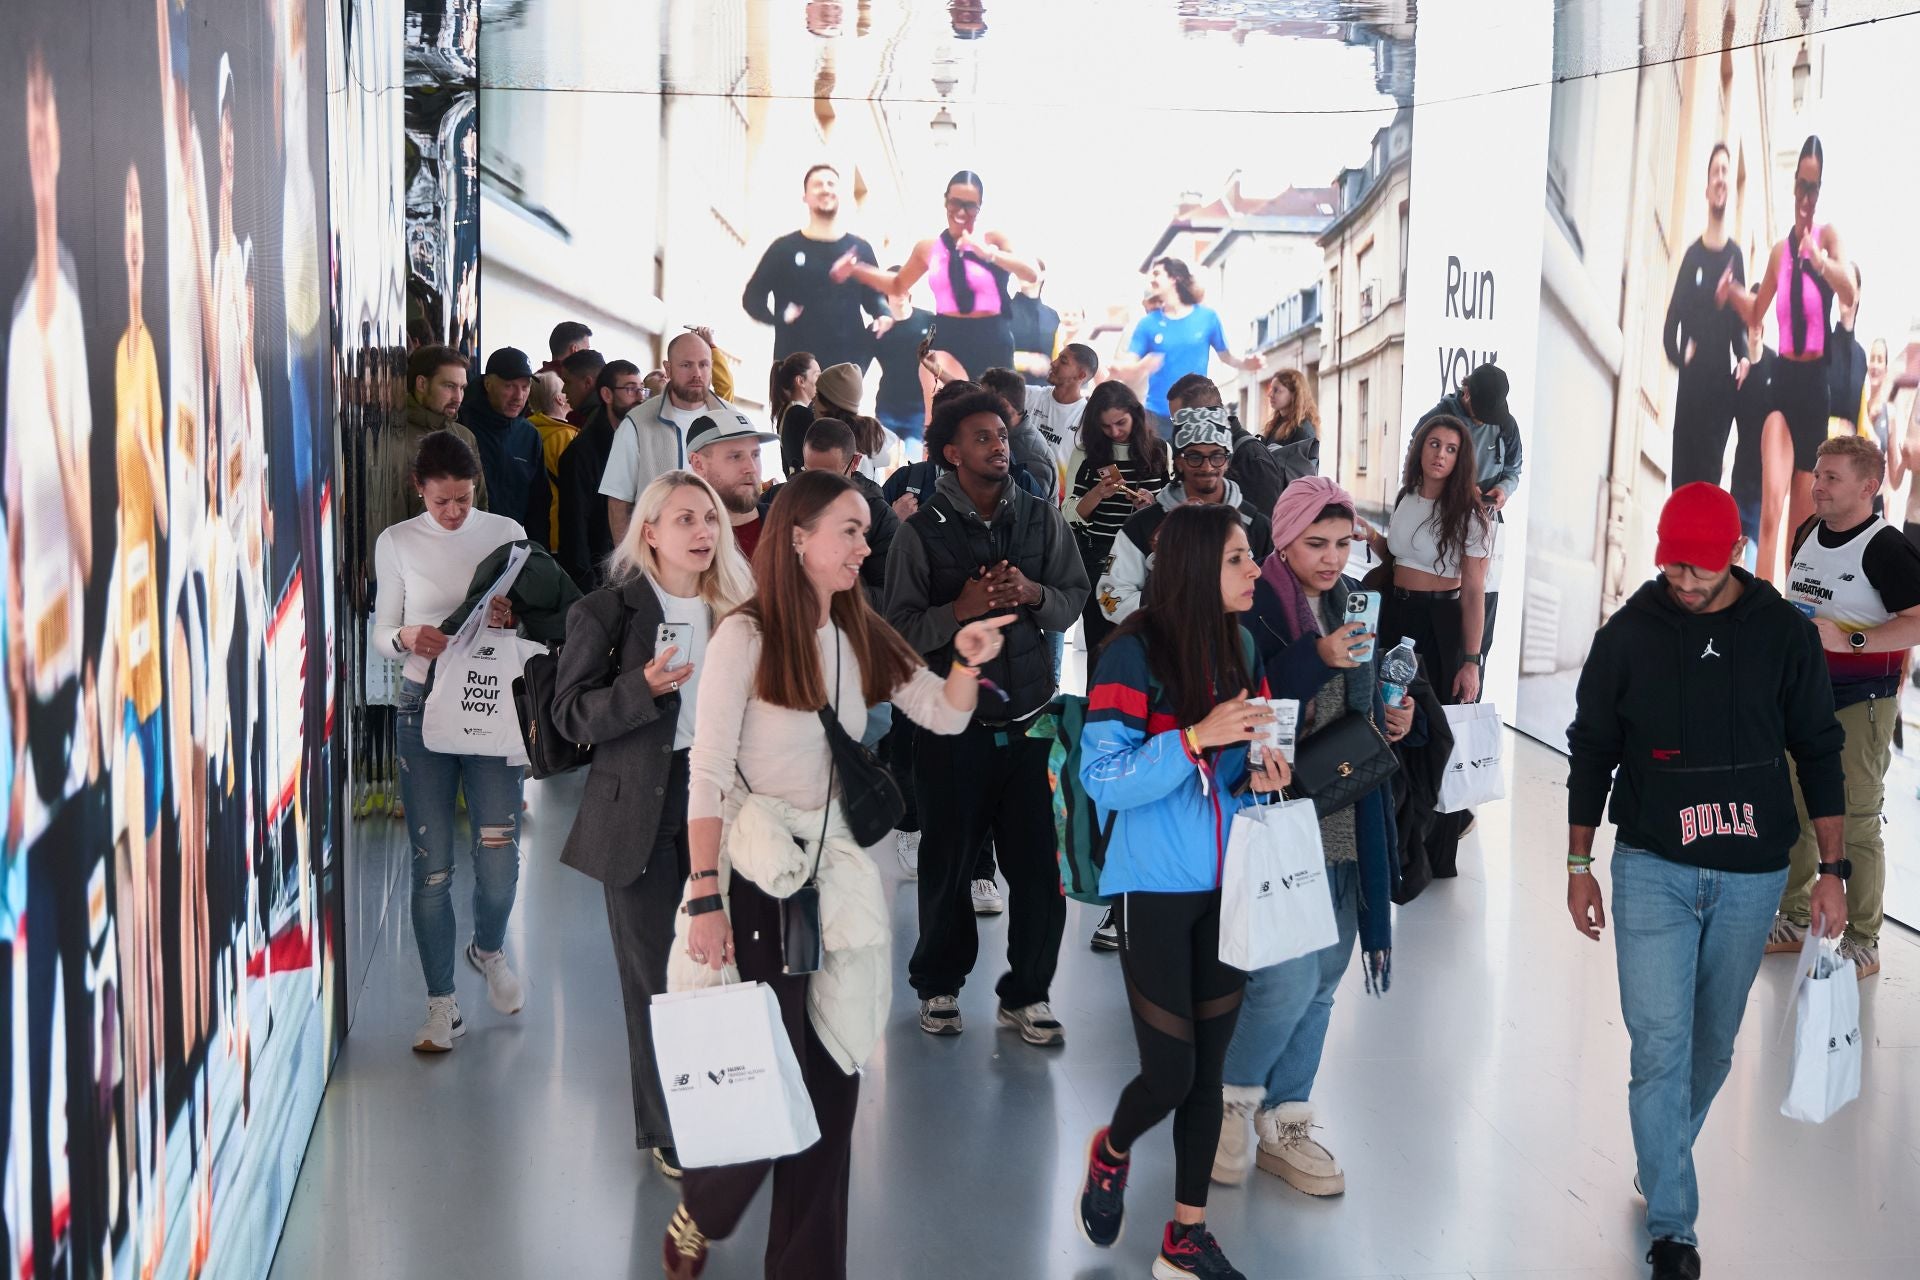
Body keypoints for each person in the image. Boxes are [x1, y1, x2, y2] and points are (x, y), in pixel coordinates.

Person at [666, 471, 1010, 1280]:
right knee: (766, 1063)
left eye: (864, 531)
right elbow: (708, 773)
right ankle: (705, 1208)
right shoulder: (743, 638)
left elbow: (944, 712)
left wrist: (964, 660)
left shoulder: (859, 629)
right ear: (796, 539)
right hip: (755, 873)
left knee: (833, 1076)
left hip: (839, 878)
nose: (864, 545)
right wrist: (704, 894)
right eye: (849, 530)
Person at [1564, 481, 1847, 1280]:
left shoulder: (1782, 635)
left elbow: (1820, 750)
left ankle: (1660, 1159)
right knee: (1659, 1046)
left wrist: (1833, 870)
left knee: (1713, 1047)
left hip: (1754, 876)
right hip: (1652, 864)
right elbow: (1591, 749)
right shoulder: (1630, 635)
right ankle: (1673, 1229)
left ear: (1734, 554)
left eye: (1700, 568)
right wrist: (1579, 863)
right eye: (1672, 567)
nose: (1684, 583)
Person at [1075, 501, 1290, 1280]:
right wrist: (1195, 739)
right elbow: (1101, 778)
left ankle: (1185, 1236)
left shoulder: (1242, 645)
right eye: (1240, 558)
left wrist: (1265, 776)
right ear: (1200, 565)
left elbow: (1250, 762)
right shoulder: (1131, 652)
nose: (1256, 571)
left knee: (1209, 1072)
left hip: (1229, 890)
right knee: (1169, 1073)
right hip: (1153, 889)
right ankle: (1113, 1149)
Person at [1214, 477, 1412, 1197]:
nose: (1332, 559)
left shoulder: (1351, 600)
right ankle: (1231, 1101)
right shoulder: (1256, 602)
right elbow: (1241, 696)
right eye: (1315, 544)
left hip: (1347, 808)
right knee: (1283, 978)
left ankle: (1286, 1118)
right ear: (1284, 541)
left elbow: (1358, 697)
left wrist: (1393, 717)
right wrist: (1315, 659)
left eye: (1342, 543)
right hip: (1276, 816)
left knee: (1326, 977)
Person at [553, 470, 752, 1181]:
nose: (703, 532)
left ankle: (733, 1103)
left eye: (710, 519)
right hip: (637, 808)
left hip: (725, 807)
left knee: (724, 964)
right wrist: (643, 688)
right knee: (654, 980)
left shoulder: (741, 608)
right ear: (649, 532)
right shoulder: (607, 612)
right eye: (684, 520)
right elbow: (570, 714)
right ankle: (668, 1126)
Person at [885, 390, 1089, 1041]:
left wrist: (1033, 594)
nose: (998, 446)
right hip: (952, 730)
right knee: (948, 865)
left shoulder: (1038, 517)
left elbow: (1073, 596)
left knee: (1038, 871)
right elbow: (898, 634)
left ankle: (1026, 992)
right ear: (951, 451)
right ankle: (939, 985)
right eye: (981, 437)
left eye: (1001, 435)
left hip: (1031, 722)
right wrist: (961, 610)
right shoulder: (918, 534)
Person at [369, 432, 530, 1051]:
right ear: (420, 492)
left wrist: (514, 616)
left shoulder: (506, 530)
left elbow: (537, 613)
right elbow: (381, 632)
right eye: (441, 503)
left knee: (498, 858)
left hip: (490, 704)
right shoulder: (397, 542)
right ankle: (442, 1005)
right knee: (430, 868)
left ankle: (488, 947)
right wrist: (408, 636)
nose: (454, 512)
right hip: (421, 707)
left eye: (463, 499)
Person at [1761, 437, 1920, 979]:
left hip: (1861, 705)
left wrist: (1850, 643)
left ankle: (1864, 941)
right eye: (1818, 474)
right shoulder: (1808, 531)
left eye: (1831, 477)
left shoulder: (1886, 547)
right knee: (1799, 808)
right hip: (1801, 700)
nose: (1818, 484)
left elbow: (1917, 619)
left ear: (1868, 487)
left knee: (1855, 821)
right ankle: (1796, 918)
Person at [1719, 135, 1857, 583]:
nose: (1806, 196)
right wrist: (1732, 294)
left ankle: (1791, 627)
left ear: (1820, 191)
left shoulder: (1828, 239)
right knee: (1771, 511)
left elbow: (1849, 290)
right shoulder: (1779, 252)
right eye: (1801, 184)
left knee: (1802, 532)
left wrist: (1818, 259)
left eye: (1813, 187)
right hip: (1782, 384)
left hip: (1815, 391)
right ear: (1793, 185)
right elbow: (1758, 314)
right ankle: (1759, 616)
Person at [1367, 414, 1491, 877]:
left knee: (1435, 733)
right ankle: (1397, 841)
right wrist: (1371, 537)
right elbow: (1400, 557)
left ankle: (1437, 855)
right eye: (1433, 444)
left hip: (1440, 622)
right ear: (1420, 448)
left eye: (1451, 448)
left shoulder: (1472, 514)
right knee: (1393, 725)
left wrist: (1471, 660)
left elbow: (1475, 591)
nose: (1440, 454)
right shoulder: (1406, 498)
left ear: (1461, 459)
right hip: (1395, 611)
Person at [828, 170, 1041, 381]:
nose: (961, 211)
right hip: (949, 336)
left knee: (997, 410)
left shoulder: (993, 239)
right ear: (946, 201)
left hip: (992, 336)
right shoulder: (928, 248)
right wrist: (856, 270)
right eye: (955, 203)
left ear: (979, 207)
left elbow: (1031, 274)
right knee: (952, 409)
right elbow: (897, 284)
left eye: (970, 206)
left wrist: (989, 254)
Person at [1096, 407, 1273, 634]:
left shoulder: (1255, 525)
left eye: (1217, 456)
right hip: (1163, 654)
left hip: (1236, 654)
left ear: (1227, 460)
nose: (1207, 467)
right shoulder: (1141, 526)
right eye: (1195, 457)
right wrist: (1168, 610)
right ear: (1179, 462)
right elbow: (1110, 596)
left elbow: (1273, 595)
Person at [601, 331, 755, 546]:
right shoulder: (636, 424)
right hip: (659, 559)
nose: (697, 374)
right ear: (668, 368)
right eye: (686, 365)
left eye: (703, 365)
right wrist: (630, 569)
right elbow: (618, 502)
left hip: (721, 553)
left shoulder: (732, 420)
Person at [1416, 363, 1522, 660]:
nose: (1484, 419)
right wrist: (1458, 489)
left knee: (1482, 605)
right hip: (1441, 522)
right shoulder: (1438, 419)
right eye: (1481, 410)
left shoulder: (1506, 425)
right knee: (1447, 610)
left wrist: (1504, 490)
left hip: (1487, 522)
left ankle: (1474, 674)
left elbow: (1514, 469)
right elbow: (1414, 470)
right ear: (1466, 393)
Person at [740, 163, 889, 373]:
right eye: (818, 185)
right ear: (805, 196)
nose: (826, 189)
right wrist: (778, 318)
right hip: (793, 371)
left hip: (844, 372)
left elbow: (875, 298)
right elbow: (752, 298)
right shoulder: (783, 249)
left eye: (831, 184)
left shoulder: (860, 250)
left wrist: (882, 314)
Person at [1662, 143, 1749, 489]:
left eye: (1727, 171)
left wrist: (1743, 357)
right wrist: (1681, 357)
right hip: (1689, 396)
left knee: (1709, 490)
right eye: (1716, 171)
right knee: (1682, 485)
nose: (1721, 178)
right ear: (1707, 187)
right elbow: (1670, 327)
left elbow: (1741, 329)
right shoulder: (1692, 257)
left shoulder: (1736, 258)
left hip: (1719, 399)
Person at [1067, 382, 1169, 651]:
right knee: (1101, 646)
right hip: (1099, 561)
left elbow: (1172, 510)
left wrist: (1151, 505)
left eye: (1121, 423)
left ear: (1136, 415)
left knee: (1148, 648)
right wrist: (1097, 494)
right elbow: (1069, 512)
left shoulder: (1159, 450)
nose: (1115, 432)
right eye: (1106, 426)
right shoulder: (1086, 454)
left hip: (1149, 562)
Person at [1115, 258, 1264, 420]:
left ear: (1174, 278)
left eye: (1157, 274)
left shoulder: (1207, 317)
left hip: (1198, 414)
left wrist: (1246, 364)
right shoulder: (1147, 323)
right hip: (1157, 417)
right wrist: (1137, 367)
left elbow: (1226, 356)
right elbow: (1127, 365)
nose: (1152, 280)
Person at [557, 360, 644, 592]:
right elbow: (574, 528)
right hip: (599, 579)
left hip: (639, 571)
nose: (639, 397)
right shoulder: (581, 454)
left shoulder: (644, 442)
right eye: (629, 389)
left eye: (641, 389)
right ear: (606, 394)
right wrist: (588, 589)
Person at [793, 417, 897, 608]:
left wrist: (831, 588)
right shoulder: (787, 499)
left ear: (855, 462)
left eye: (830, 477)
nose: (818, 486)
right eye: (809, 473)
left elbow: (889, 596)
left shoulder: (880, 516)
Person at [458, 346, 550, 547]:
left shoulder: (530, 435)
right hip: (465, 544)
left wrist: (537, 555)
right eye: (509, 386)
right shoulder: (462, 426)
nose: (518, 396)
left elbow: (538, 505)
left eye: (525, 387)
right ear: (488, 384)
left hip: (512, 547)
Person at [1166, 374, 1284, 522]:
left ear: (1204, 414)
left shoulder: (1252, 458)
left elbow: (1262, 531)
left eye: (1178, 419)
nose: (1176, 428)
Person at [687, 413, 778, 560]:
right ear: (698, 464)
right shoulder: (682, 544)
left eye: (755, 455)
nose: (751, 467)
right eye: (735, 456)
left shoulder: (788, 529)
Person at [870, 278, 936, 454]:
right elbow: (858, 361)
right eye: (893, 290)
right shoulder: (879, 328)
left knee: (914, 464)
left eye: (902, 289)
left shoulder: (929, 321)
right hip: (887, 406)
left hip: (918, 409)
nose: (899, 294)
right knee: (879, 464)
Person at [1024, 343, 1100, 495]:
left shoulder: (1088, 418)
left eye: (1063, 361)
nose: (1053, 363)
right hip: (1019, 493)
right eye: (1057, 358)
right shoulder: (1029, 396)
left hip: (1057, 505)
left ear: (1081, 375)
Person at [1729, 313, 1775, 548]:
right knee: (1733, 549)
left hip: (1764, 482)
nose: (1755, 325)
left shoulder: (1774, 364)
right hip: (1740, 476)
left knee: (1755, 552)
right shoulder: (1739, 367)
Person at [812, 362, 901, 484]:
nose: (813, 400)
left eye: (817, 395)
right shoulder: (871, 435)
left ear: (830, 404)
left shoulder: (835, 445)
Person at [980, 366, 1057, 504]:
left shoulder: (1031, 456)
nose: (979, 408)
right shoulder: (1005, 438)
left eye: (984, 402)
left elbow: (1033, 516)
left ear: (1004, 405)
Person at [528, 370, 576, 551]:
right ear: (559, 399)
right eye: (566, 390)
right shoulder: (567, 437)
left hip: (535, 527)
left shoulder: (527, 432)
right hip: (560, 527)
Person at [1260, 368, 1321, 490]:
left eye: (1277, 390)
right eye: (1271, 389)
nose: (1270, 394)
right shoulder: (1276, 424)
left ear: (1294, 394)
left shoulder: (1303, 430)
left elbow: (1299, 476)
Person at [1826, 264, 1868, 438]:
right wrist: (1836, 427)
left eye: (1849, 284)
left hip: (1848, 458)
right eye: (1840, 284)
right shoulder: (1823, 343)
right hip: (1818, 454)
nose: (1844, 290)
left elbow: (1859, 421)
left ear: (1857, 294)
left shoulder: (1861, 357)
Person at [1010, 258, 1062, 385]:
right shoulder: (1003, 311)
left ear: (1043, 275)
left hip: (1044, 391)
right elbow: (990, 351)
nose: (1025, 272)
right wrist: (1024, 361)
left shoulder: (1052, 316)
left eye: (1030, 267)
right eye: (1021, 268)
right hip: (1009, 388)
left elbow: (1056, 356)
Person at [770, 351, 820, 476]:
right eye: (817, 375)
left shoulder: (788, 411)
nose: (821, 381)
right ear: (801, 381)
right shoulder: (800, 414)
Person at [559, 347, 605, 428]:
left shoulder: (600, 422)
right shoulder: (602, 414)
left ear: (587, 382)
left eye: (568, 382)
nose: (563, 390)